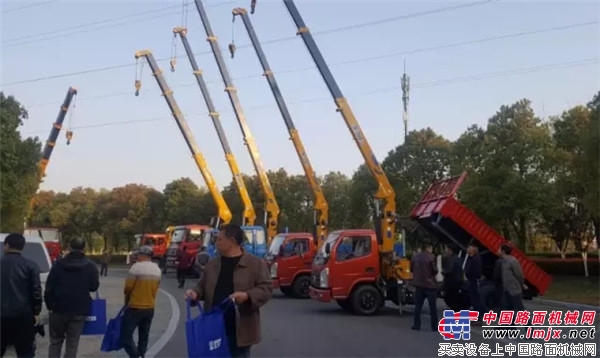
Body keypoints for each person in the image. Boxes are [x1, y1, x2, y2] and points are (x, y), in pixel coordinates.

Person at [185, 224, 272, 358]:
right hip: (213, 327)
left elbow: (266, 288)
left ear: (231, 241)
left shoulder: (255, 264)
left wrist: (247, 296)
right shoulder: (212, 264)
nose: (216, 243)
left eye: (219, 239)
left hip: (239, 329)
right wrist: (194, 294)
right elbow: (201, 286)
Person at [45, 238, 100, 358]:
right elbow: (94, 287)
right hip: (79, 309)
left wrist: (51, 305)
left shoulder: (58, 265)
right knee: (72, 344)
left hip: (58, 308)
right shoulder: (90, 266)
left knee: (55, 342)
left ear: (70, 247)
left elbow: (49, 288)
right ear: (84, 248)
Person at [0, 233, 42, 358]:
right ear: (22, 247)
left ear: (6, 246)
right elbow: (36, 292)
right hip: (23, 316)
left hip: (1, 316)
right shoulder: (31, 265)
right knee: (25, 351)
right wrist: (36, 312)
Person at [120, 245, 162, 358]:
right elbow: (156, 287)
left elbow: (128, 287)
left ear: (142, 255)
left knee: (125, 336)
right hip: (150, 307)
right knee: (144, 335)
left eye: (138, 254)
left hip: (135, 306)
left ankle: (135, 356)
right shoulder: (157, 270)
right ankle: (141, 354)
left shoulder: (136, 267)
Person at [410, 242, 439, 331]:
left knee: (418, 306)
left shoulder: (415, 257)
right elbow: (435, 271)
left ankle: (417, 325)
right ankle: (434, 326)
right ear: (428, 248)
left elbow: (411, 269)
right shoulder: (431, 257)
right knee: (432, 307)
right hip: (430, 285)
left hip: (419, 285)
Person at [498, 244, 527, 318]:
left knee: (520, 309)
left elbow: (519, 275)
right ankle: (509, 327)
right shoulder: (503, 262)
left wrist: (521, 285)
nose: (497, 251)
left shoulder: (513, 261)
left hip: (514, 290)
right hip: (507, 289)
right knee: (508, 310)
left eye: (499, 249)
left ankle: (529, 328)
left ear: (503, 251)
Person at [464, 244, 484, 324]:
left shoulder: (476, 259)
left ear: (473, 250)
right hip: (472, 281)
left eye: (469, 248)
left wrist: (472, 277)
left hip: (474, 281)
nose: (468, 249)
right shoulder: (472, 258)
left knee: (476, 300)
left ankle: (478, 318)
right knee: (474, 300)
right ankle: (476, 318)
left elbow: (477, 272)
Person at [441, 244, 463, 311]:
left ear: (450, 250)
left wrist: (443, 272)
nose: (445, 251)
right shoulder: (458, 259)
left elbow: (449, 270)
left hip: (451, 283)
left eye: (446, 249)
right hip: (457, 282)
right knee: (455, 299)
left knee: (451, 299)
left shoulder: (451, 259)